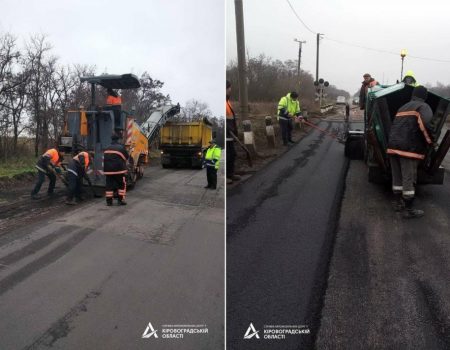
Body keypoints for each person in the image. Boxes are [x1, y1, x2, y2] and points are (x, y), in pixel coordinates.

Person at [387, 85, 433, 218]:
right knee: (408, 178)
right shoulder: (423, 107)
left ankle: (398, 204)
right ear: (424, 96)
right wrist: (430, 142)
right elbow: (426, 126)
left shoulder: (402, 107)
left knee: (397, 178)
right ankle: (408, 209)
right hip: (408, 149)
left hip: (393, 147)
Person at [103, 134, 129, 206]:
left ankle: (109, 202)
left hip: (108, 171)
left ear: (111, 139)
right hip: (119, 171)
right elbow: (126, 157)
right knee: (121, 185)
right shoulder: (121, 148)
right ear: (118, 139)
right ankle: (120, 201)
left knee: (109, 186)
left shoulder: (107, 148)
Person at [226, 80, 241, 185]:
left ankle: (231, 174)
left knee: (232, 154)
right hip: (227, 135)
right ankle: (226, 176)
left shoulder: (227, 101)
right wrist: (228, 130)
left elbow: (231, 118)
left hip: (230, 135)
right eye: (229, 87)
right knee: (228, 155)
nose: (231, 89)